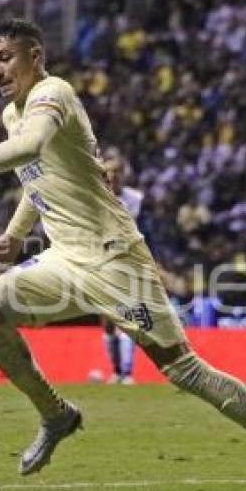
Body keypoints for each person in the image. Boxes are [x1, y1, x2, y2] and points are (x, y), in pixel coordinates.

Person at [0, 18, 246, 491]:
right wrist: (15, 235)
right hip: (64, 259)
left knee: (184, 370)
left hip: (117, 260)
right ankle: (56, 414)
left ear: (36, 56)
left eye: (7, 58)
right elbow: (37, 173)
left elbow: (31, 148)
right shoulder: (14, 115)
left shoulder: (53, 93)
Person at [100, 151, 142, 384]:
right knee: (107, 320)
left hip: (129, 263)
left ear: (124, 174)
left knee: (128, 316)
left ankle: (128, 372)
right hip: (103, 263)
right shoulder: (94, 198)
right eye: (109, 172)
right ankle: (116, 371)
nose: (113, 176)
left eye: (117, 171)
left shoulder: (135, 199)